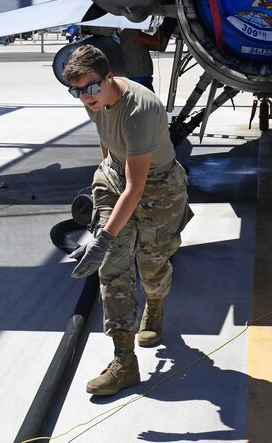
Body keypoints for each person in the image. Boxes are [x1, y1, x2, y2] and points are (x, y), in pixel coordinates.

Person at [63, 44, 190, 397]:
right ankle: (124, 361)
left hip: (158, 188)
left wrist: (102, 237)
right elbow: (108, 145)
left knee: (152, 267)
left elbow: (136, 189)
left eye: (90, 88)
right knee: (113, 268)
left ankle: (155, 304)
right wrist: (104, 179)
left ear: (109, 78)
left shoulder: (140, 110)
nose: (85, 98)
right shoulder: (96, 100)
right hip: (119, 175)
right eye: (77, 91)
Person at [118, 28, 157, 92]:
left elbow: (159, 46)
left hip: (141, 81)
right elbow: (157, 42)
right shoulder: (131, 32)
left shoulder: (129, 33)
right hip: (140, 82)